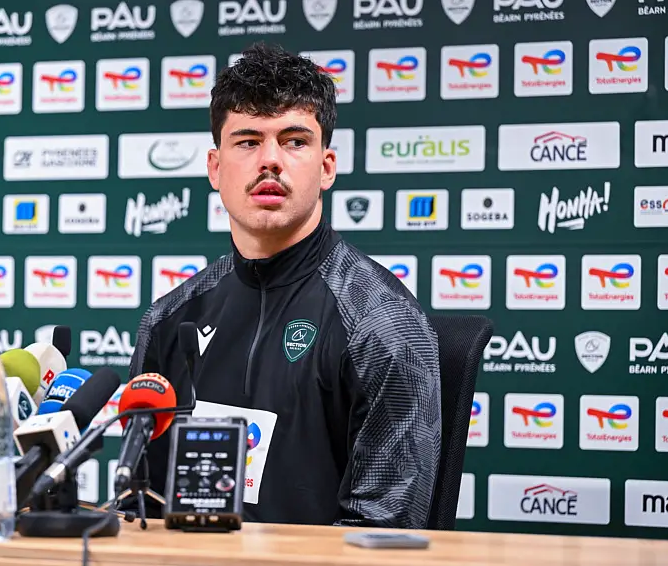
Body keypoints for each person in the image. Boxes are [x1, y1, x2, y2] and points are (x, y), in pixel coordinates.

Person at [128, 42, 442, 528]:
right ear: (215, 167)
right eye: (248, 141)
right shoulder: (168, 320)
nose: (270, 160)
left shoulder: (383, 324)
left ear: (326, 167)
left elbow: (383, 536)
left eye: (295, 141)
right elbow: (138, 508)